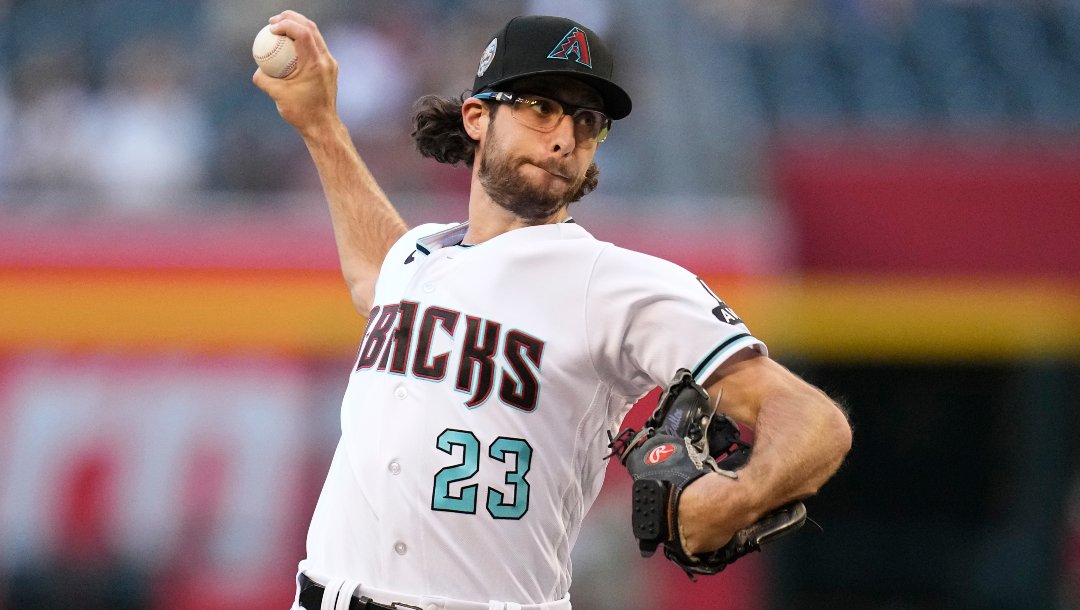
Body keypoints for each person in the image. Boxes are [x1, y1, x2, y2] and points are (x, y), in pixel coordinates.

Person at [254, 11, 852, 610]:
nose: (565, 137)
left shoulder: (616, 283)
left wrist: (736, 499)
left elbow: (813, 423)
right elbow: (372, 273)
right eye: (541, 108)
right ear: (477, 117)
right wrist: (320, 124)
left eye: (587, 122)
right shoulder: (420, 254)